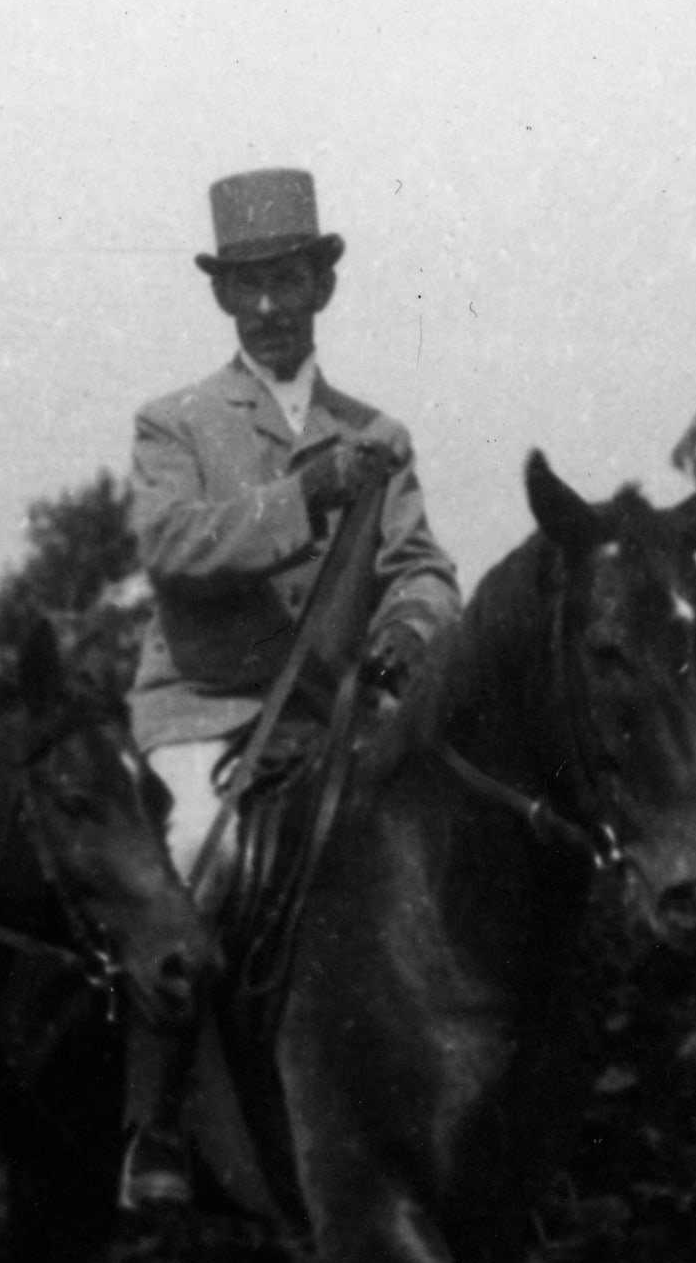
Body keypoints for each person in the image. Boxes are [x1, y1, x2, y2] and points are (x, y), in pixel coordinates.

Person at [117, 166, 463, 1208]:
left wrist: (407, 634)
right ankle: (157, 1126)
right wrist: (299, 497)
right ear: (223, 295)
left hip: (332, 716)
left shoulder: (378, 434)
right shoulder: (173, 424)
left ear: (322, 284)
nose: (268, 307)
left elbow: (423, 568)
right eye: (247, 286)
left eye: (288, 281)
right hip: (204, 712)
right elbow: (172, 544)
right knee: (192, 863)